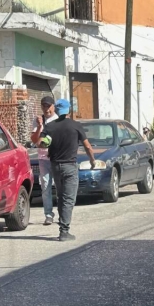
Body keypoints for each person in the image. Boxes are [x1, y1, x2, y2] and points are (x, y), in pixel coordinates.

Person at [41, 99, 96, 241]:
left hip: (55, 166)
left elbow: (42, 143)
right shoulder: (76, 125)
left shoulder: (50, 126)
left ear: (56, 110)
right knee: (68, 199)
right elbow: (88, 146)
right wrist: (92, 160)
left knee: (61, 196)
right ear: (69, 110)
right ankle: (64, 231)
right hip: (70, 166)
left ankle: (63, 228)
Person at [30, 96, 59, 226]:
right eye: (44, 106)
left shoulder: (58, 120)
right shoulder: (38, 121)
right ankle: (48, 215)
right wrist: (40, 125)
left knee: (60, 187)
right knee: (45, 187)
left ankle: (63, 212)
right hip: (43, 159)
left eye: (48, 106)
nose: (46, 109)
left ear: (53, 106)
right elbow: (34, 140)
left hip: (57, 158)